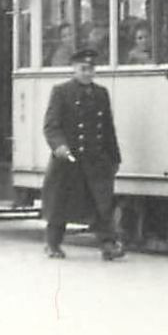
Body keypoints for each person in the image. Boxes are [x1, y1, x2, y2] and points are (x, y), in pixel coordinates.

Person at [41, 47, 124, 260]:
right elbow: (51, 126)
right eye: (83, 69)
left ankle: (108, 244)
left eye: (91, 69)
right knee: (60, 203)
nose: (88, 73)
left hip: (95, 158)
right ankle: (52, 243)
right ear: (74, 69)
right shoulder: (61, 92)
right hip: (69, 159)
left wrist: (114, 157)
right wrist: (59, 146)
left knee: (102, 203)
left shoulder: (101, 94)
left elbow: (107, 128)